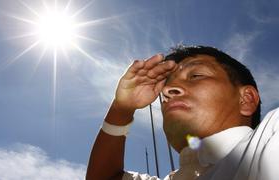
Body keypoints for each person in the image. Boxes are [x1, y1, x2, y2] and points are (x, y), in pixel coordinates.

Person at [86, 45, 279, 180]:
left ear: (246, 99)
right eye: (166, 86)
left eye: (195, 76)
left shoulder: (272, 137)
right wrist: (121, 110)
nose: (168, 91)